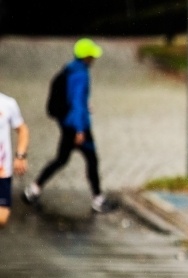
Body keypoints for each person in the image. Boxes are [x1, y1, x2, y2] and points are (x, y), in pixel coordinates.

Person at [24, 38, 111, 213]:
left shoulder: (70, 70)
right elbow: (77, 102)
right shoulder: (81, 74)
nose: (94, 59)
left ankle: (33, 190)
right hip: (77, 126)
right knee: (91, 159)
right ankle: (98, 199)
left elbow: (74, 100)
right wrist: (80, 130)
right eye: (92, 56)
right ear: (86, 57)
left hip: (67, 124)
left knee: (61, 159)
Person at [0, 90, 29, 227]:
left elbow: (22, 129)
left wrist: (20, 156)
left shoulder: (7, 103)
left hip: (2, 171)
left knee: (2, 217)